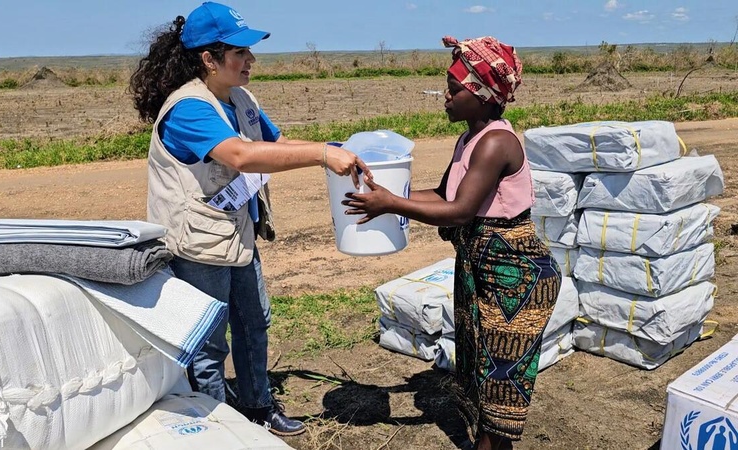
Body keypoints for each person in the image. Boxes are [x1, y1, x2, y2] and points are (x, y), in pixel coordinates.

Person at [129, 1, 368, 436]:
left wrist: (333, 145)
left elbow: (274, 142)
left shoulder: (241, 100)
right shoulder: (188, 109)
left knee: (254, 319)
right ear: (209, 58)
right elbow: (241, 155)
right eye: (240, 52)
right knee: (208, 338)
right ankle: (219, 423)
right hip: (200, 245)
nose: (250, 60)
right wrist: (320, 155)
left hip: (236, 234)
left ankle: (257, 405)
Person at [343, 36, 560, 450]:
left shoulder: (497, 142)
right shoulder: (469, 140)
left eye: (454, 88)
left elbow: (460, 211)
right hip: (481, 270)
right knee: (479, 371)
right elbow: (444, 195)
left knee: (500, 387)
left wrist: (392, 203)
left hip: (517, 278)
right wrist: (387, 197)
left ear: (480, 95)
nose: (445, 95)